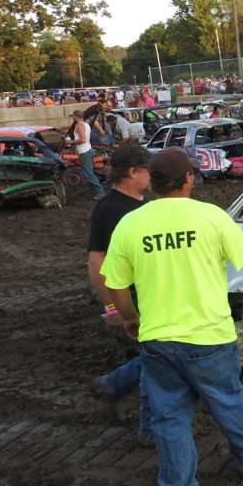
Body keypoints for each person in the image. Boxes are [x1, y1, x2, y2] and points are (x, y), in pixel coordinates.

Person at [100, 147, 243, 486]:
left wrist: (132, 319)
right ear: (189, 178)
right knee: (227, 400)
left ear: (152, 181)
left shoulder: (131, 224)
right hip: (209, 338)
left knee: (169, 421)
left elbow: (115, 285)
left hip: (158, 341)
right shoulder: (210, 217)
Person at [87, 143, 154, 443]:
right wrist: (113, 308)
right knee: (160, 357)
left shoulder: (144, 202)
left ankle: (112, 385)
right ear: (132, 172)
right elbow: (97, 260)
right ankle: (151, 427)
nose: (151, 177)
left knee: (159, 356)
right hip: (132, 297)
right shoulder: (109, 208)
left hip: (152, 291)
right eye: (147, 171)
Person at [66, 110, 105, 200]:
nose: (72, 118)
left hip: (84, 151)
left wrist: (71, 141)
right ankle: (94, 193)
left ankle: (99, 193)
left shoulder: (79, 126)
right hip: (87, 150)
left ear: (75, 116)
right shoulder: (86, 125)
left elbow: (82, 140)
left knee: (88, 174)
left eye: (73, 116)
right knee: (88, 172)